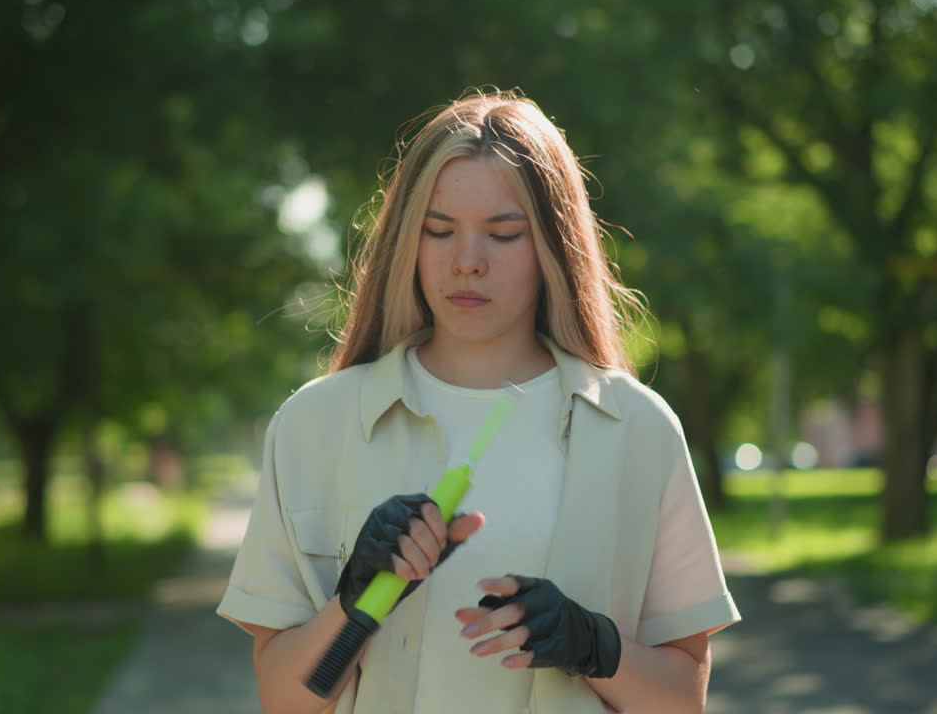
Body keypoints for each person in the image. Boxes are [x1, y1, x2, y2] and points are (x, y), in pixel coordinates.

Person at [216, 88, 740, 714]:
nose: (467, 262)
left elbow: (684, 700)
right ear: (409, 240)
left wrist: (593, 644)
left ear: (552, 246)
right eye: (440, 231)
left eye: (503, 234)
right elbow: (283, 698)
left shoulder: (639, 429)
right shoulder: (313, 425)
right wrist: (352, 604)